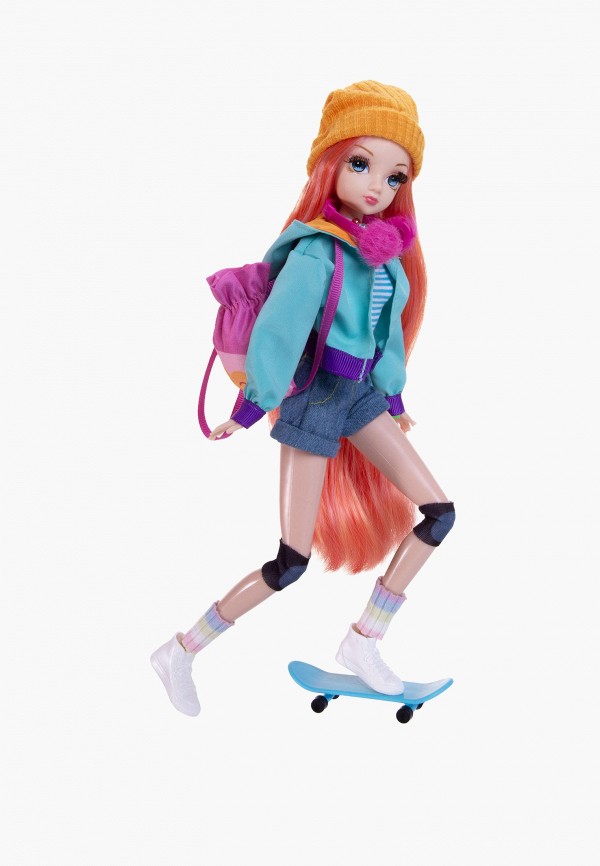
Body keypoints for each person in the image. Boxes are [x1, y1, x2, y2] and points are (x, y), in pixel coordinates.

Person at [151, 80, 455, 716]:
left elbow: (387, 337)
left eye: (395, 176)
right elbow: (280, 334)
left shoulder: (387, 257)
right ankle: (180, 650)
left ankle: (364, 640)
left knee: (439, 513)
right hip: (315, 401)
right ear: (330, 164)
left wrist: (395, 399)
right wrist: (250, 406)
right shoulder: (317, 250)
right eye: (361, 164)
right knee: (290, 560)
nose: (377, 186)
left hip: (363, 397)